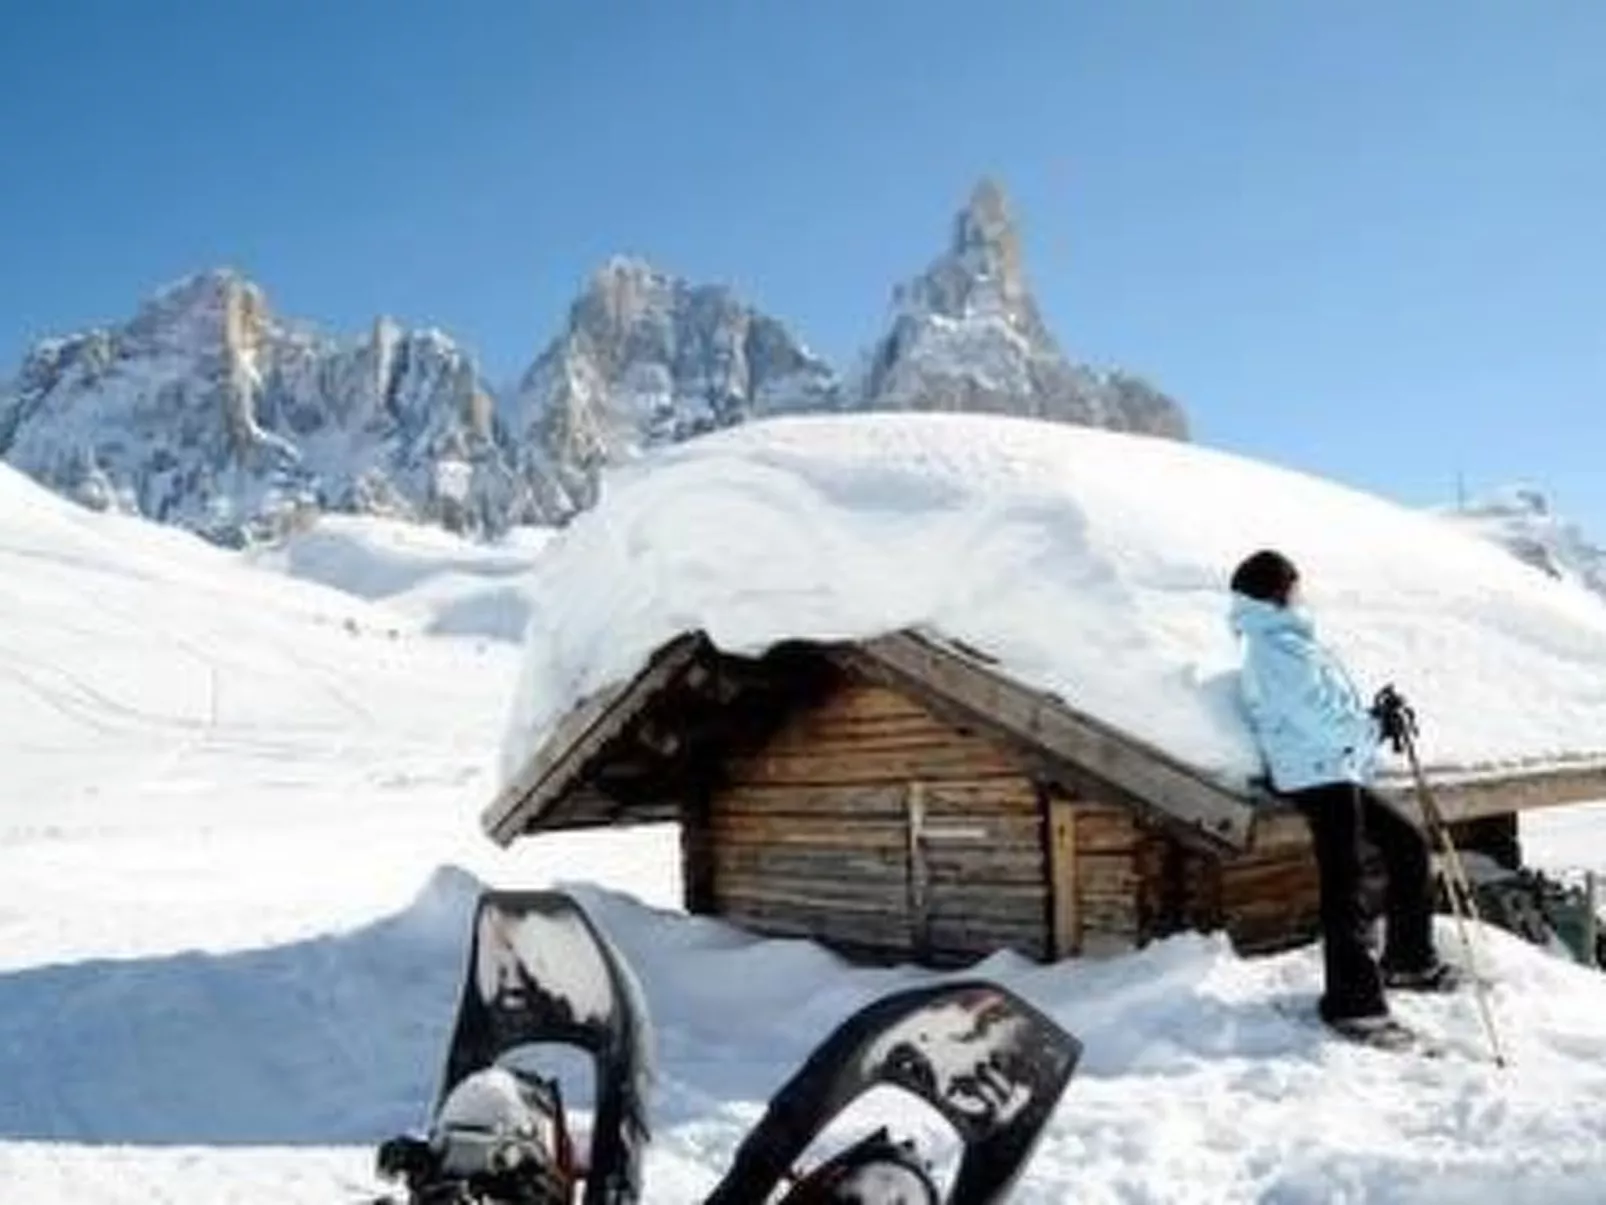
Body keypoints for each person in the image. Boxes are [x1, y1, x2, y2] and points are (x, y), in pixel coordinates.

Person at [1228, 549, 1457, 1039]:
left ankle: (1409, 960)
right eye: (1295, 585)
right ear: (1278, 591)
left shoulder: (1288, 641)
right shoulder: (1271, 649)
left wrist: (1376, 715)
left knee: (1407, 843)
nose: (1300, 593)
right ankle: (1352, 1001)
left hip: (1334, 769)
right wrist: (1374, 726)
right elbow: (1318, 719)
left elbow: (1329, 707)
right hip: (1315, 775)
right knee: (1345, 883)